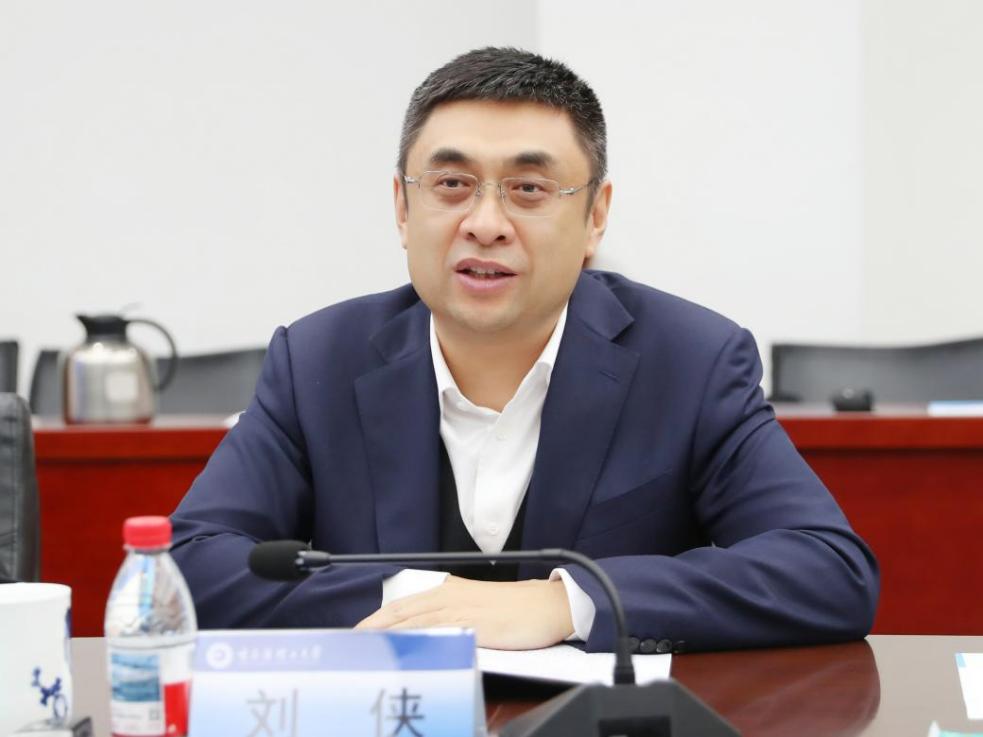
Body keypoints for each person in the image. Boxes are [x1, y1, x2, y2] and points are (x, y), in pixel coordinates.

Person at [170, 47, 878, 653]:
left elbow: (827, 569)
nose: (485, 223)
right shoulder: (318, 362)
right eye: (452, 185)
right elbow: (185, 567)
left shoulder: (690, 362)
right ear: (402, 208)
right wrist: (414, 600)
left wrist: (567, 602)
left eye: (529, 189)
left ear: (595, 216)